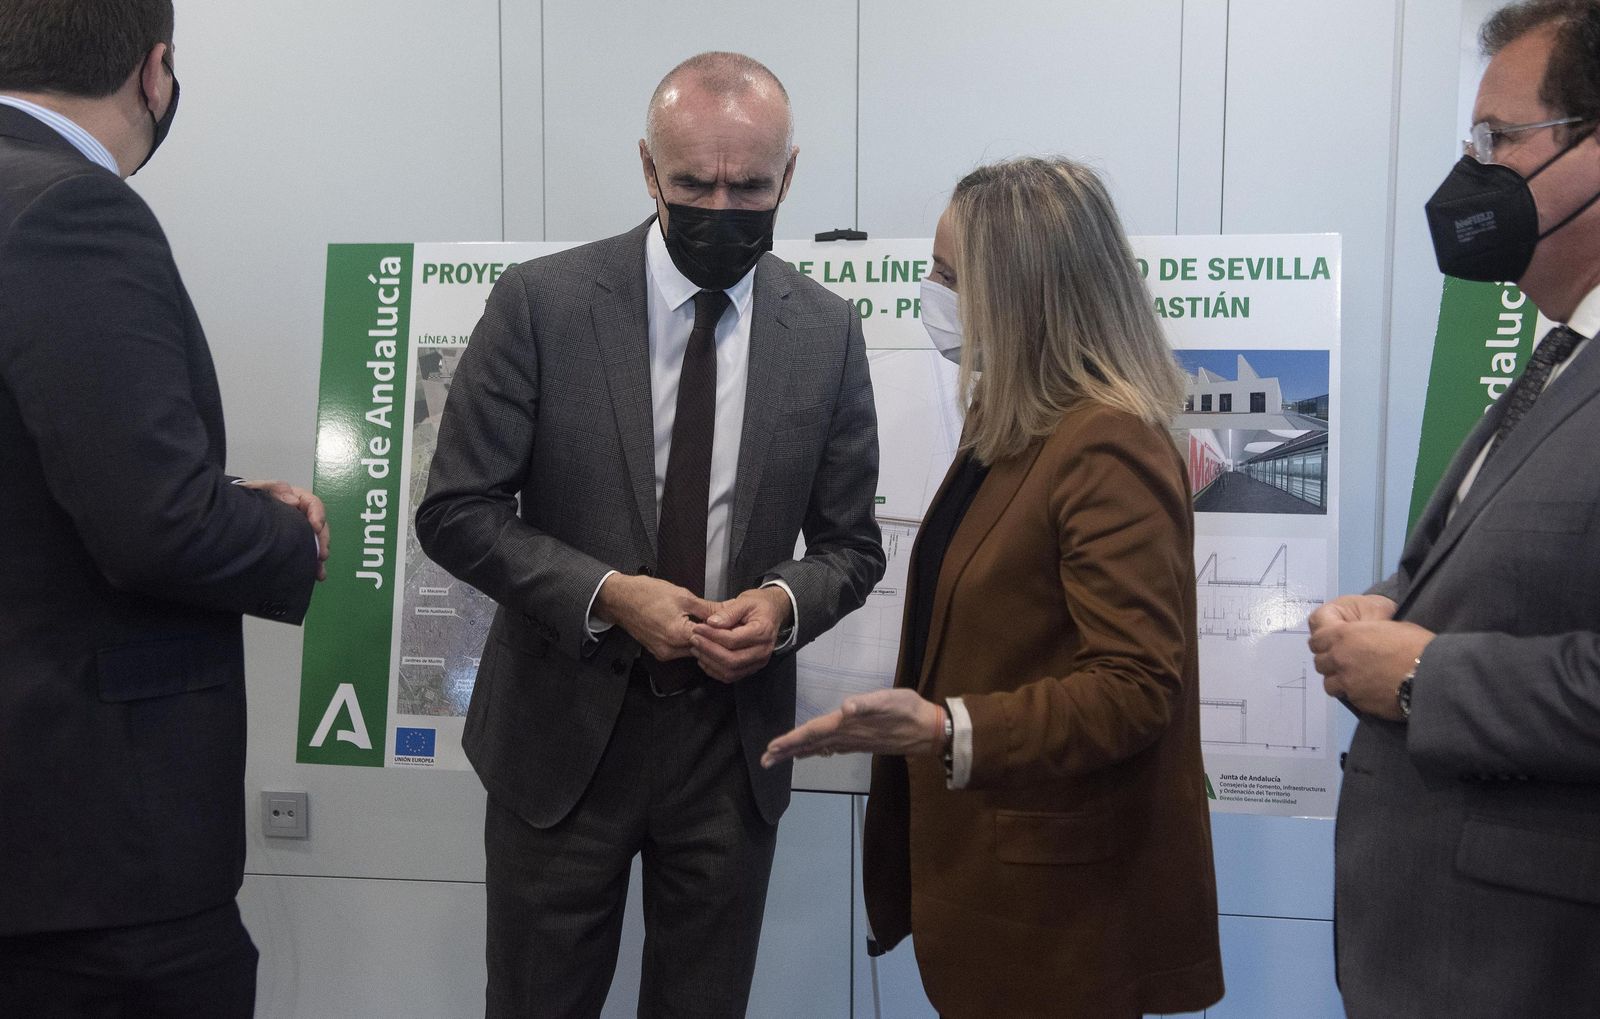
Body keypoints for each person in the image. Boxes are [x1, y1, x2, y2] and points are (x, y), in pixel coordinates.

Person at [415, 51, 884, 1018]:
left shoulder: (826, 331)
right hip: (559, 738)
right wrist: (607, 594)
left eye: (749, 187)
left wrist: (784, 603)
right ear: (647, 168)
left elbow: (852, 544)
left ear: (789, 174)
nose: (722, 206)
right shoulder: (542, 303)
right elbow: (456, 510)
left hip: (731, 749)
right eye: (694, 183)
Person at [765, 156, 1224, 1019]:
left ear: (1023, 295)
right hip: (992, 889)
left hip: (1061, 914)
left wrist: (949, 726)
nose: (929, 294)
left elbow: (1135, 687)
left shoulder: (1108, 445)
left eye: (949, 277)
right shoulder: (1011, 426)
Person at [0, 2, 329, 1015]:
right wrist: (287, 535)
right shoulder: (70, 210)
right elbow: (157, 529)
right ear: (155, 71)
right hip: (94, 859)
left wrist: (206, 496)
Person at [1309, 2, 1600, 1014]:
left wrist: (1424, 675)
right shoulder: (1561, 355)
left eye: (1498, 139)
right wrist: (1391, 603)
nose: (1471, 173)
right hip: (1439, 951)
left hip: (1530, 967)